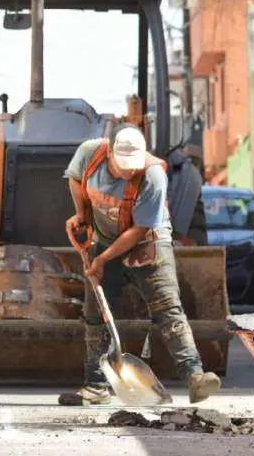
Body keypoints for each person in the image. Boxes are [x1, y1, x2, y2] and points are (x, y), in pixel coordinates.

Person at [58, 124, 222, 406]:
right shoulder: (89, 154)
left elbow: (138, 230)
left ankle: (195, 376)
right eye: (123, 166)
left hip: (148, 242)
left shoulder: (153, 175)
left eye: (134, 165)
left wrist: (102, 259)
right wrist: (81, 214)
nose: (129, 172)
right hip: (104, 239)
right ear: (110, 153)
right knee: (95, 313)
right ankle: (96, 386)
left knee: (167, 307)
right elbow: (75, 179)